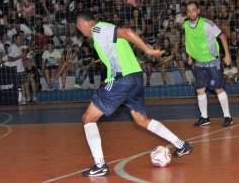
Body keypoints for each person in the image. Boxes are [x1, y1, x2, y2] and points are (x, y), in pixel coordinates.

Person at [75, 12, 193, 177]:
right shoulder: (104, 30)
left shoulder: (99, 29)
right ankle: (181, 145)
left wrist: (148, 51)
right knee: (141, 120)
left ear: (84, 24)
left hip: (120, 80)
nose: (81, 32)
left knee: (88, 118)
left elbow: (127, 32)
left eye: (79, 29)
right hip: (135, 78)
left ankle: (100, 165)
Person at [183, 1, 233, 127]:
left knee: (218, 88)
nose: (191, 12)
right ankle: (204, 118)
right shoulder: (186, 25)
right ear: (187, 13)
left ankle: (228, 117)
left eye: (194, 10)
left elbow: (222, 36)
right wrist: (190, 56)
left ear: (198, 11)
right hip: (199, 63)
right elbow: (189, 41)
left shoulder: (207, 24)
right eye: (189, 11)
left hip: (212, 61)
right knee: (200, 90)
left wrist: (227, 54)